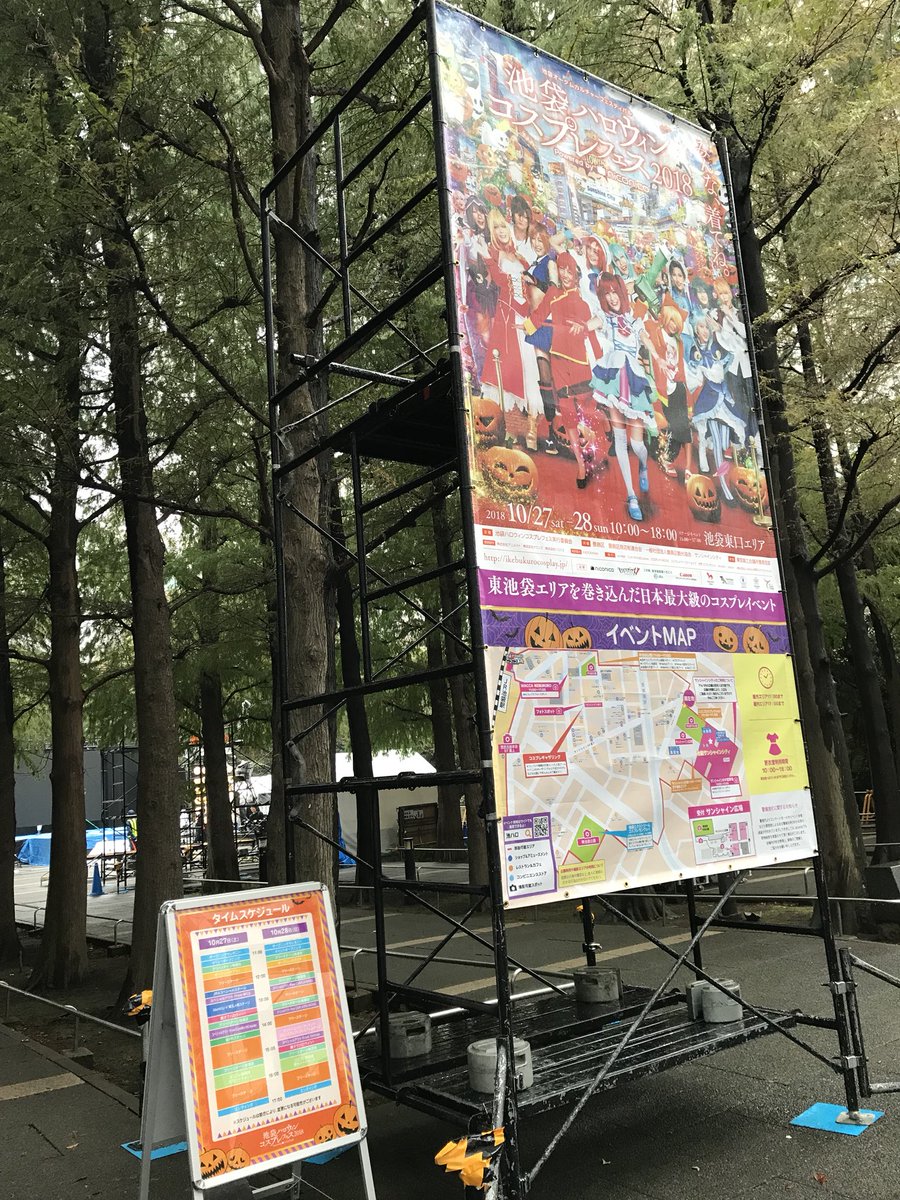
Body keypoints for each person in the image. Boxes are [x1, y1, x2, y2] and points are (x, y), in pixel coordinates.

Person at [523, 252, 598, 486]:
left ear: (576, 273)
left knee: (588, 410)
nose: (566, 274)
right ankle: (581, 465)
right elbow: (538, 316)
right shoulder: (554, 293)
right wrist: (525, 327)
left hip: (580, 364)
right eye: (562, 269)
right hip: (559, 363)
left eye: (569, 270)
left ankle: (593, 449)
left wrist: (586, 327)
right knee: (569, 418)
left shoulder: (584, 301)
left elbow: (594, 324)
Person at [590, 272, 657, 521]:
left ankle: (643, 465)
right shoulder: (606, 319)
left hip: (635, 381)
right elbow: (589, 324)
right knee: (619, 438)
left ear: (621, 293)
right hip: (614, 379)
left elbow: (647, 340)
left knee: (637, 445)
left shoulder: (634, 321)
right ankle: (631, 495)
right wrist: (576, 325)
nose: (612, 297)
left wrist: (659, 359)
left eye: (614, 292)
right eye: (606, 293)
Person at [480, 209, 541, 448]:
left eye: (503, 226)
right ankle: (511, 432)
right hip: (506, 321)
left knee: (529, 372)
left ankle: (531, 429)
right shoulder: (491, 254)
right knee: (507, 372)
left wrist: (532, 282)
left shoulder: (520, 257)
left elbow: (534, 290)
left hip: (524, 320)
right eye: (496, 228)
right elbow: (497, 280)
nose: (501, 231)